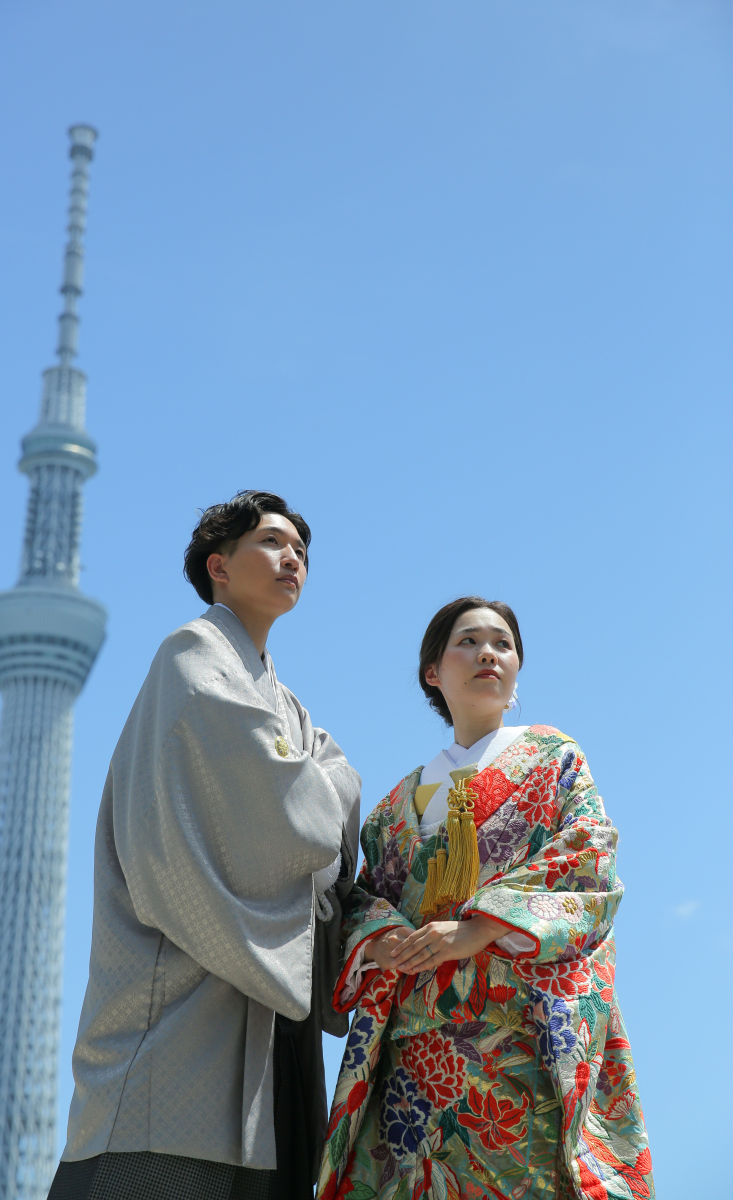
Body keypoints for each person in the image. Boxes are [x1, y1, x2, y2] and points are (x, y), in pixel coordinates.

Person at [49, 491, 361, 1200]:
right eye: (273, 543)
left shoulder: (283, 698)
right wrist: (310, 784)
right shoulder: (191, 658)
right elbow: (307, 814)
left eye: (302, 552)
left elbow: (337, 783)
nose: (293, 560)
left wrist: (307, 780)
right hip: (185, 1003)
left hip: (276, 1002)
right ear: (218, 566)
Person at [318, 596, 653, 1200]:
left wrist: (480, 928)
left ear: (518, 667)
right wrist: (382, 938)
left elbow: (587, 856)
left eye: (502, 642)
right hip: (418, 1059)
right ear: (433, 672)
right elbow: (362, 896)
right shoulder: (396, 806)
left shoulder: (553, 758)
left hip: (519, 1040)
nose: (488, 653)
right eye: (467, 642)